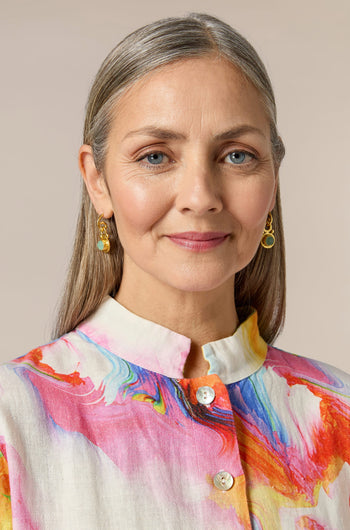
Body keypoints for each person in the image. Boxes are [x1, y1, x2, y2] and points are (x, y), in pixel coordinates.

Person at [0, 12, 349, 529]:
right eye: (156, 156)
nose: (201, 198)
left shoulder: (339, 415)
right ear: (97, 181)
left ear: (273, 177)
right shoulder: (12, 421)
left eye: (236, 155)